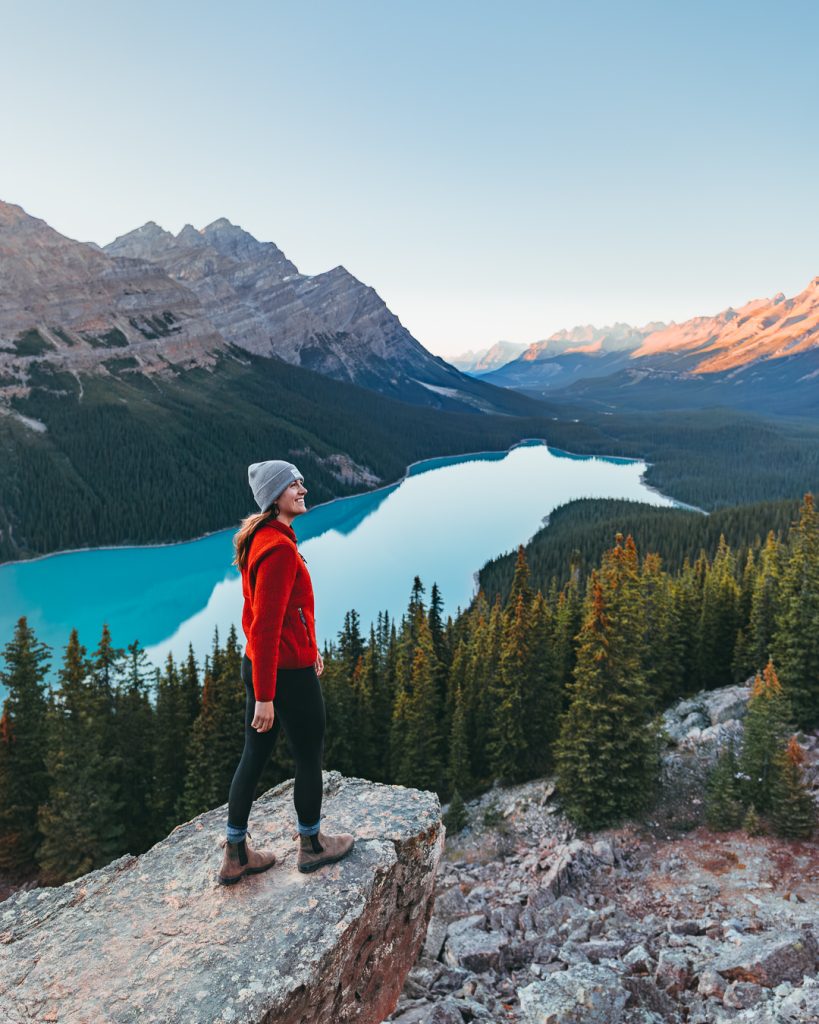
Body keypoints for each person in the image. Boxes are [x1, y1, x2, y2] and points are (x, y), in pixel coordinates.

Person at [217, 459, 355, 884]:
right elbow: (266, 625)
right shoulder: (277, 549)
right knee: (309, 754)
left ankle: (236, 852)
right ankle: (312, 846)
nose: (303, 489)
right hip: (283, 675)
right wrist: (265, 694)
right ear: (275, 496)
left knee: (253, 756)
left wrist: (307, 647)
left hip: (270, 665)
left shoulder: (262, 537)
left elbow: (285, 615)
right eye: (294, 484)